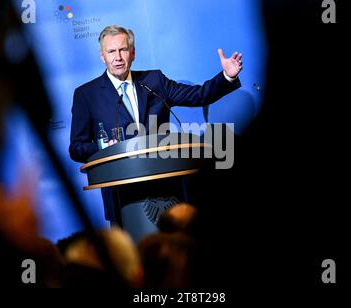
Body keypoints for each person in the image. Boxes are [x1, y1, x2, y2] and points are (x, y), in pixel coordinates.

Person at [69, 24, 243, 227]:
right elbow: (77, 147)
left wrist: (227, 76)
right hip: (122, 196)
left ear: (132, 53)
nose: (118, 57)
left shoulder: (154, 81)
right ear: (102, 56)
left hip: (168, 192)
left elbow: (199, 95)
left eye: (123, 50)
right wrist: (105, 147)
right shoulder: (87, 95)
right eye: (111, 51)